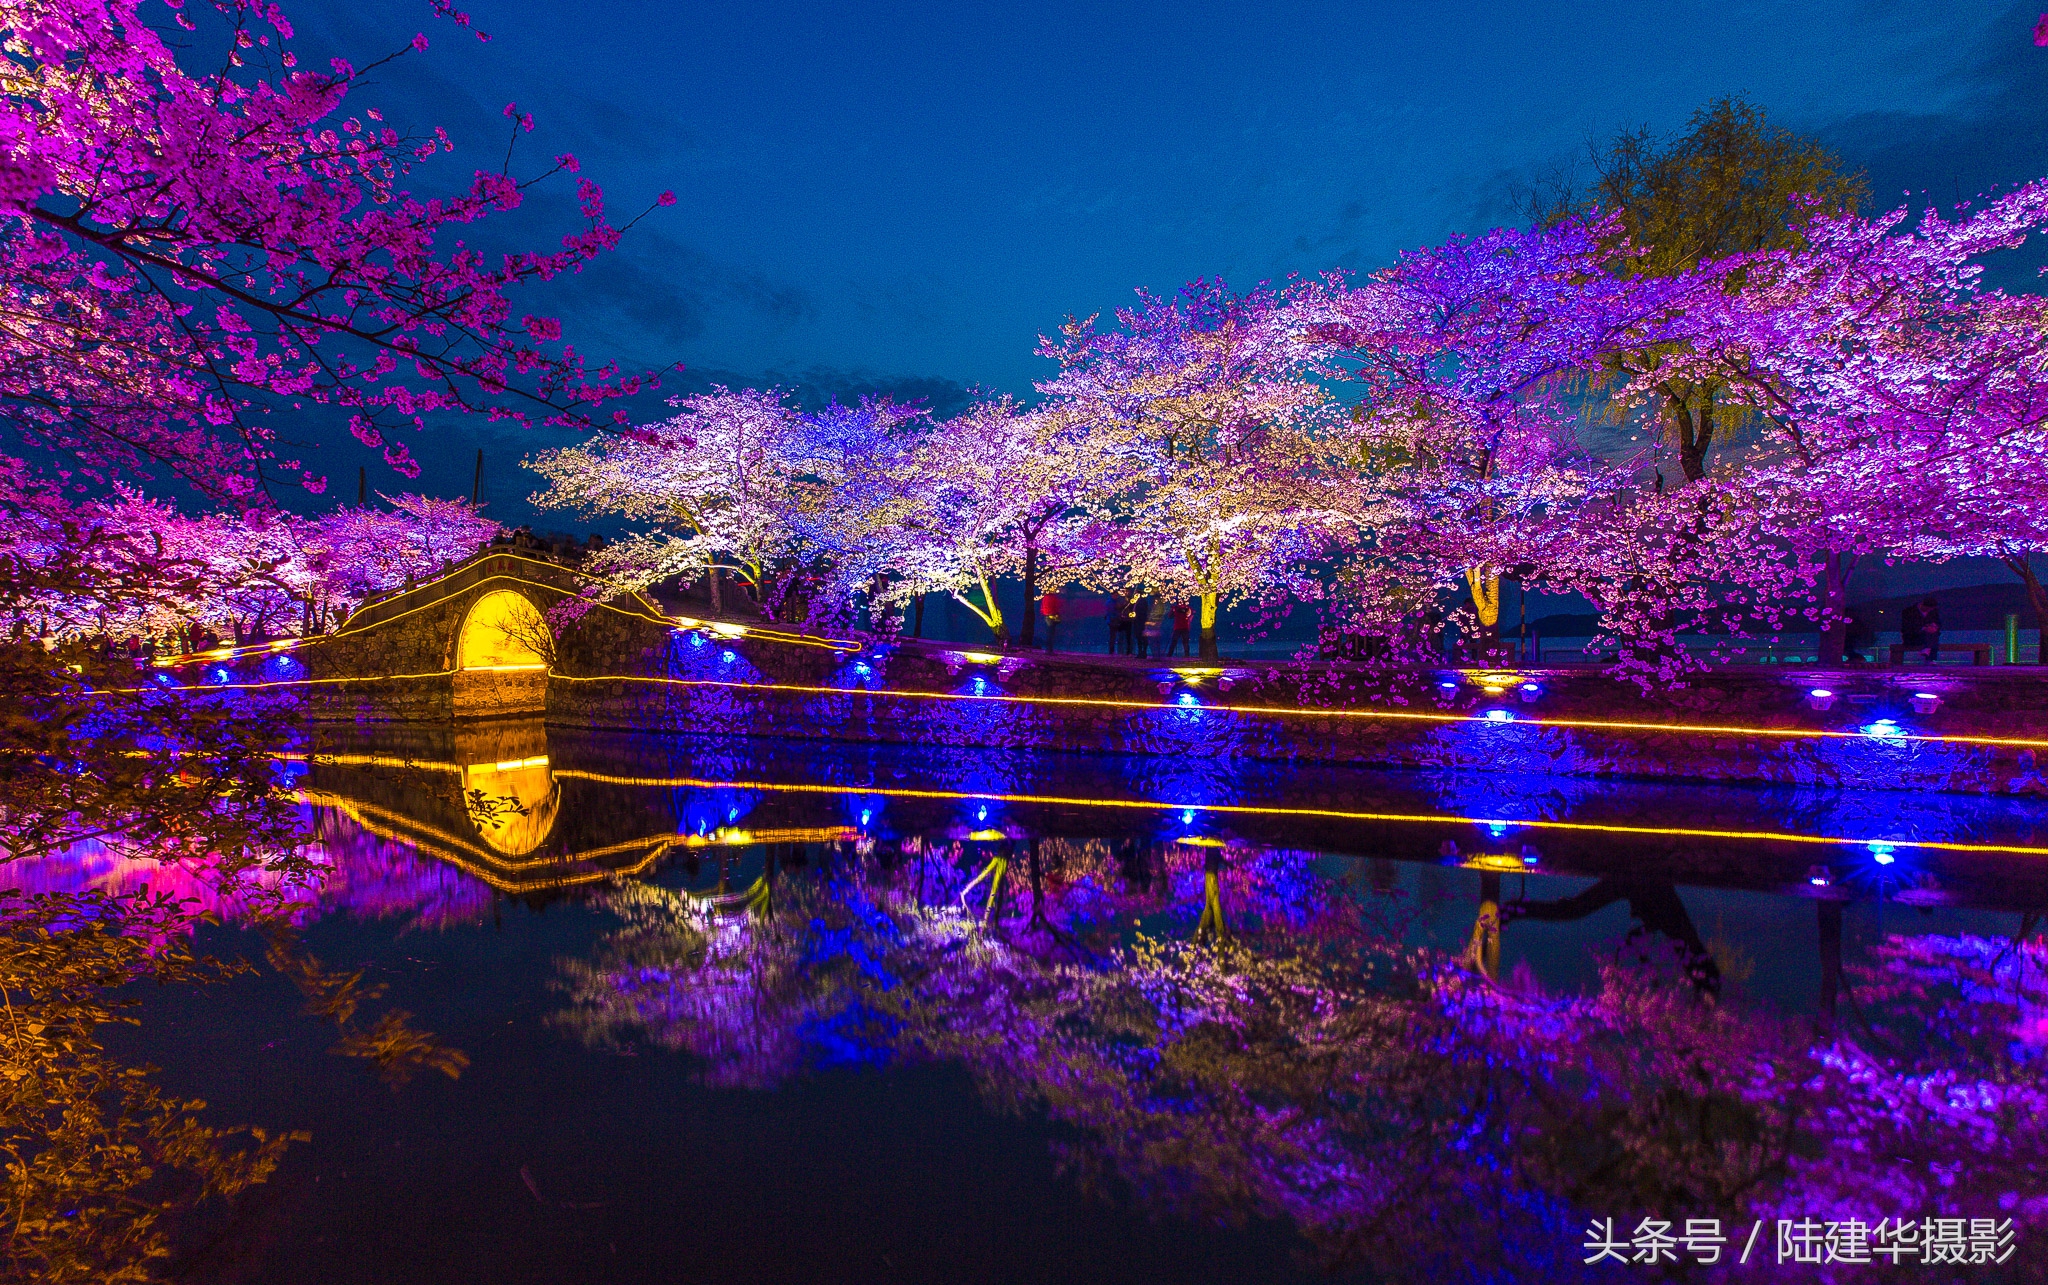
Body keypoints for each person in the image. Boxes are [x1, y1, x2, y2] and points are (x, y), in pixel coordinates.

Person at [1900, 596, 1940, 663]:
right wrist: (1923, 628)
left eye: (1931, 609)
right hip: (1913, 637)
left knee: (1932, 634)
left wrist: (1934, 626)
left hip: (1929, 637)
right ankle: (1929, 658)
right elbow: (1906, 627)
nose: (1929, 610)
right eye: (1928, 608)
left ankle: (1928, 655)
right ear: (1923, 605)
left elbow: (1938, 623)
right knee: (1929, 635)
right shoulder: (1908, 611)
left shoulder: (1933, 612)